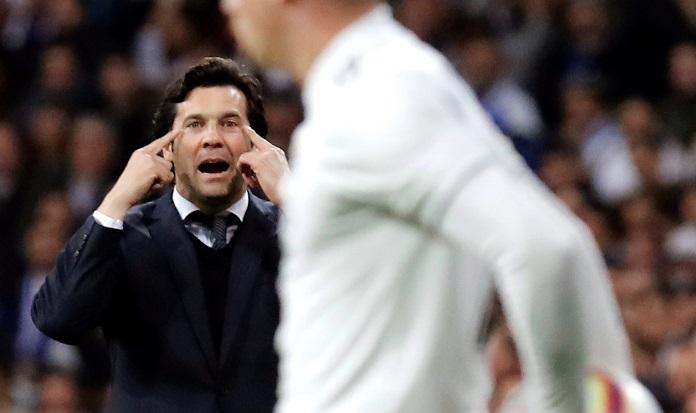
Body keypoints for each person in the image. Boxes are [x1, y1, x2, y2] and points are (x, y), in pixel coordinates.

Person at [221, 1, 657, 412]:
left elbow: (546, 248)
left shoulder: (374, 99)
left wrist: (572, 404)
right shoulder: (396, 75)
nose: (228, 5)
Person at [32, 57, 288, 412]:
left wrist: (294, 199)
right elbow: (59, 320)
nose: (212, 138)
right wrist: (116, 199)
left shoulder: (292, 232)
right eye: (195, 124)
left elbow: (357, 317)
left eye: (230, 123)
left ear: (256, 146)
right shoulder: (123, 233)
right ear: (168, 148)